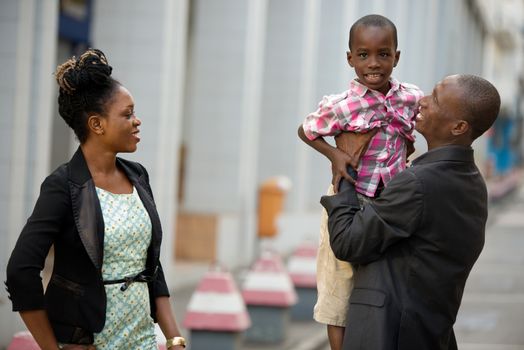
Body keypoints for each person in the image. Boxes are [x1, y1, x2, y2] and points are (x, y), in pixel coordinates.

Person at [6, 49, 186, 350]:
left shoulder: (138, 176)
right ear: (97, 124)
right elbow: (20, 271)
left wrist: (174, 339)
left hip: (142, 339)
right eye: (127, 114)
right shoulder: (62, 186)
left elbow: (151, 265)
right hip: (89, 341)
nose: (137, 121)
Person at [320, 74, 501, 349]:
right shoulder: (472, 183)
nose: (423, 101)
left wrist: (345, 167)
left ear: (459, 127)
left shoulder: (419, 184)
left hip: (387, 337)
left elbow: (347, 242)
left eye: (436, 99)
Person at [297, 14, 423, 349]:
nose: (374, 63)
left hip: (390, 204)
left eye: (384, 54)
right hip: (350, 204)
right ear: (350, 58)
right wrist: (335, 156)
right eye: (363, 55)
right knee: (339, 289)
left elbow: (418, 129)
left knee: (386, 286)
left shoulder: (410, 98)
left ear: (397, 57)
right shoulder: (340, 105)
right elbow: (306, 131)